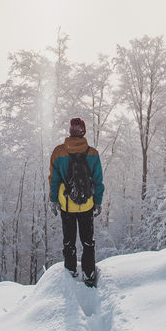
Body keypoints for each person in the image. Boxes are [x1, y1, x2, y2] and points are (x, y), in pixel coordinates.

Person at [49, 116, 104, 286]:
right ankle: (88, 275)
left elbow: (54, 179)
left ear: (70, 131)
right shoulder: (93, 153)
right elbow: (98, 181)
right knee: (88, 242)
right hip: (86, 205)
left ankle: (71, 273)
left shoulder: (59, 152)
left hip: (67, 206)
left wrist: (53, 200)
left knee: (69, 241)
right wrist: (97, 202)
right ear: (83, 131)